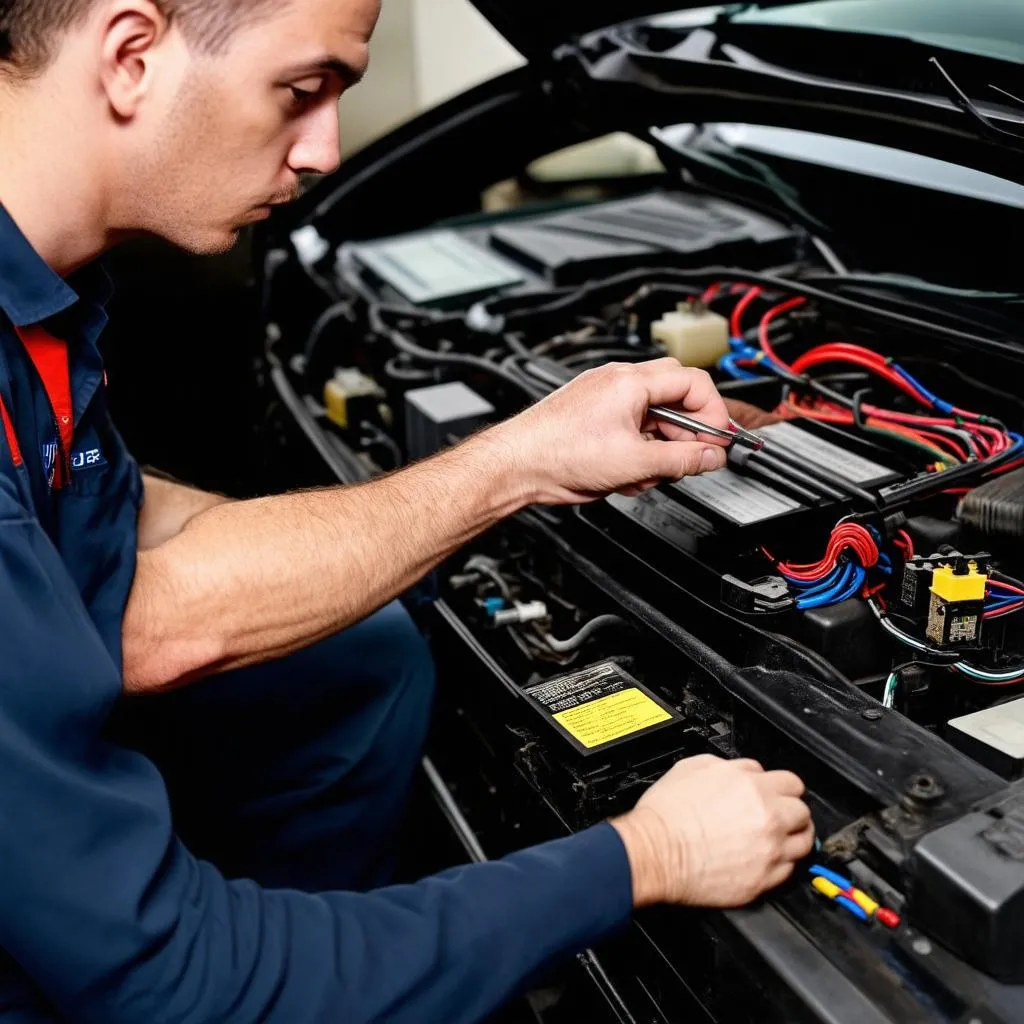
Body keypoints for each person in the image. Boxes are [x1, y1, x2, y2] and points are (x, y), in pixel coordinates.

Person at [0, 0, 816, 1021]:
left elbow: (109, 533)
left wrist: (527, 454)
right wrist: (644, 854)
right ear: (129, 57)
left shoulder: (43, 296)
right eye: (302, 90)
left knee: (361, 656)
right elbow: (181, 979)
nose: (325, 150)